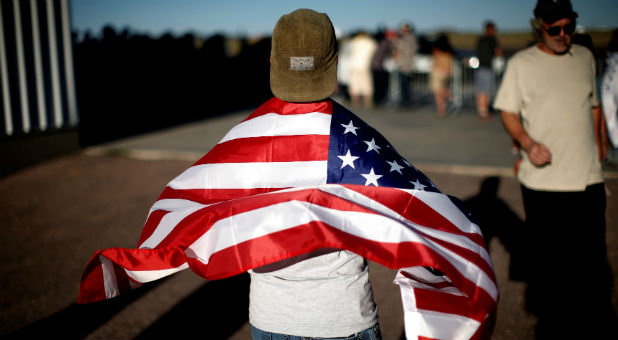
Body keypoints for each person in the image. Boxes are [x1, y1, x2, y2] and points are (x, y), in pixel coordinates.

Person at [249, 9, 381, 340]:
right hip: (343, 311)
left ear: (271, 61)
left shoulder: (240, 144)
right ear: (335, 64)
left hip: (272, 314)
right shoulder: (359, 140)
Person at [493, 0, 615, 338]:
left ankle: (590, 323)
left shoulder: (585, 58)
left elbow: (593, 105)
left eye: (569, 27)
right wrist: (528, 144)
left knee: (592, 261)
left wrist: (600, 142)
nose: (563, 35)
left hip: (587, 178)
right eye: (554, 29)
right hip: (543, 184)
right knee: (551, 266)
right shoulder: (522, 64)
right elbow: (508, 112)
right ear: (539, 27)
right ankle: (554, 326)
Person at [475, 21, 502, 121]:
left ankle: (482, 111)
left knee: (481, 90)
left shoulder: (480, 39)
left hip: (480, 67)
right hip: (487, 67)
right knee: (485, 91)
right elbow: (498, 51)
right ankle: (484, 112)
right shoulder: (492, 39)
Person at [347, 31, 378, 107]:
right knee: (366, 83)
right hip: (365, 65)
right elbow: (375, 49)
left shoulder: (353, 42)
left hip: (354, 64)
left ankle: (355, 101)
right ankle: (367, 101)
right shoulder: (371, 42)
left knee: (354, 83)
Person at [392, 22, 418, 107]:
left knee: (405, 85)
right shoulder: (411, 38)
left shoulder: (406, 38)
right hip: (405, 65)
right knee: (405, 85)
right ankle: (405, 101)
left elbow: (397, 49)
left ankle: (405, 102)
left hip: (405, 65)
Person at [430, 33, 454, 117]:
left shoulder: (436, 49)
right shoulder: (449, 50)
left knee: (437, 93)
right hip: (447, 72)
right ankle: (449, 96)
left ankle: (441, 110)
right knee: (443, 89)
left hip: (437, 71)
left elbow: (435, 59)